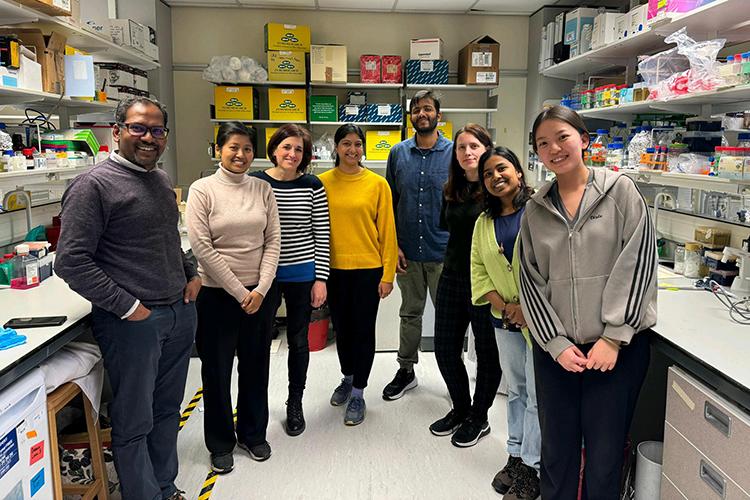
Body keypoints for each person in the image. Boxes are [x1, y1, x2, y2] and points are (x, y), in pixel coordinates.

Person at [55, 96, 201, 500]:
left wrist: (191, 275)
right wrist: (127, 306)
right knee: (134, 420)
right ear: (117, 132)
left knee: (167, 411)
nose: (148, 137)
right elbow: (70, 262)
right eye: (138, 128)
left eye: (157, 130)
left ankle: (165, 487)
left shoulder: (157, 179)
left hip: (177, 311)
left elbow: (168, 238)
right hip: (134, 323)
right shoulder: (92, 186)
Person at [520, 105, 657, 499]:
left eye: (562, 137)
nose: (554, 149)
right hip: (558, 353)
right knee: (557, 454)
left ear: (583, 138)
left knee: (604, 456)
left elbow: (639, 262)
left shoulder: (621, 191)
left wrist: (614, 336)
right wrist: (556, 344)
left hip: (616, 351)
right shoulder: (536, 209)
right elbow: (529, 281)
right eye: (542, 144)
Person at [186, 122, 280, 474]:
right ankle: (221, 442)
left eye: (246, 148)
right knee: (217, 371)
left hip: (260, 295)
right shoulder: (202, 189)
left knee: (257, 368)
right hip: (217, 297)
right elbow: (202, 247)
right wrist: (241, 292)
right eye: (233, 147)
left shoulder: (262, 188)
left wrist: (262, 288)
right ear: (218, 149)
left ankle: (253, 434)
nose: (240, 154)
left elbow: (273, 240)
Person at [250, 124, 330, 437]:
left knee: (298, 342)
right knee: (259, 343)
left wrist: (320, 279)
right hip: (263, 277)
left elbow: (321, 233)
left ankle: (294, 403)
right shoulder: (256, 182)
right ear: (274, 149)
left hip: (302, 275)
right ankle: (254, 406)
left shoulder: (312, 184)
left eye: (298, 149)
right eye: (287, 147)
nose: (292, 154)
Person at [471, 146, 540, 499]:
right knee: (516, 390)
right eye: (487, 174)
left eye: (502, 169)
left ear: (518, 171)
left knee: (537, 396)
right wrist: (503, 305)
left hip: (540, 321)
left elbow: (554, 267)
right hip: (505, 320)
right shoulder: (483, 223)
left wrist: (526, 308)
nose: (496, 177)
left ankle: (533, 466)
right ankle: (515, 454)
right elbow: (478, 270)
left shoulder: (539, 212)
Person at [319, 124, 398, 426]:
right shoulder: (322, 182)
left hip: (368, 270)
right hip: (334, 270)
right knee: (342, 329)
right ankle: (347, 377)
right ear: (336, 148)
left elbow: (387, 232)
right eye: (346, 144)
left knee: (364, 331)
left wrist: (387, 274)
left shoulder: (378, 185)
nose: (352, 150)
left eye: (357, 144)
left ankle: (359, 393)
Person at [430, 124, 502, 448]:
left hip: (487, 284)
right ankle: (461, 408)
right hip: (453, 275)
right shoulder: (451, 188)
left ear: (487, 148)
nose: (468, 153)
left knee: (487, 355)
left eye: (474, 146)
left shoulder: (497, 191)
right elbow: (448, 229)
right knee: (445, 349)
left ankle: (479, 416)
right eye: (461, 148)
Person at [383, 89, 452, 401]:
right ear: (410, 116)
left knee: (449, 317)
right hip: (407, 252)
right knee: (410, 313)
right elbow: (390, 203)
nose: (422, 114)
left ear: (438, 114)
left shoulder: (454, 154)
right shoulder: (398, 153)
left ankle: (454, 376)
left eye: (427, 109)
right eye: (416, 110)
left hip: (444, 253)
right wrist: (393, 245)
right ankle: (406, 370)